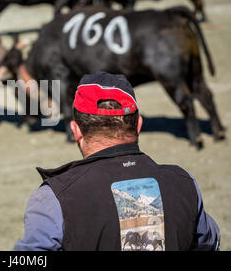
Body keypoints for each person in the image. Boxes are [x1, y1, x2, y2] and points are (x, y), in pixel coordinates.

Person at [13, 71, 220, 251]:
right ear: (138, 125)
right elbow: (209, 241)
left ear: (76, 131)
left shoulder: (52, 199)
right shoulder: (185, 183)